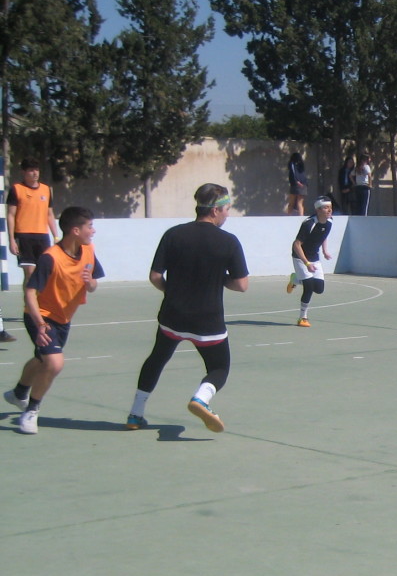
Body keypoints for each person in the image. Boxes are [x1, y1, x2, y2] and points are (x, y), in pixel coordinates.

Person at [125, 183, 250, 433]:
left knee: (157, 359)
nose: (228, 214)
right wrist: (218, 278)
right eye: (226, 209)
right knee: (219, 368)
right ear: (215, 210)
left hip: (172, 317)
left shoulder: (173, 234)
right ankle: (200, 399)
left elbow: (155, 276)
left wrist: (171, 291)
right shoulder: (229, 241)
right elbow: (241, 284)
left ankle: (135, 414)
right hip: (208, 323)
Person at [4, 207, 103, 435]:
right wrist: (40, 325)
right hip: (40, 316)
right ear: (75, 230)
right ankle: (31, 411)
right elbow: (30, 293)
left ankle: (19, 392)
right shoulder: (51, 258)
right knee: (55, 363)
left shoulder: (88, 250)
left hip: (64, 318)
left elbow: (94, 284)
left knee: (42, 360)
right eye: (90, 226)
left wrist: (90, 284)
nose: (93, 231)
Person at [6, 157, 60, 286]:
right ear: (24, 172)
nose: (35, 173)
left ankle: (39, 304)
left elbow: (50, 214)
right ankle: (28, 305)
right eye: (31, 170)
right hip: (24, 236)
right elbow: (11, 215)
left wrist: (56, 236)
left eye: (36, 170)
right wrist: (12, 240)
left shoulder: (46, 190)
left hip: (42, 236)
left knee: (44, 273)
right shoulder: (16, 189)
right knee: (30, 273)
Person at [288, 197, 335, 326]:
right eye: (326, 207)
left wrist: (325, 251)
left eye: (330, 207)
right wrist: (307, 263)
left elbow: (323, 236)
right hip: (300, 257)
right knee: (308, 287)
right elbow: (296, 245)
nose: (329, 210)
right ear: (318, 210)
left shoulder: (329, 221)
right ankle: (303, 318)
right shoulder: (309, 224)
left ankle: (296, 279)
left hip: (314, 257)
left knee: (319, 289)